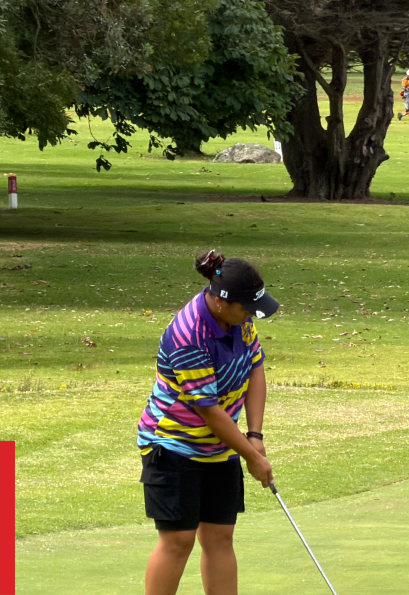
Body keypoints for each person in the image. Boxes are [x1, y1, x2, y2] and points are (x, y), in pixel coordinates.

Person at [137, 250, 280, 595]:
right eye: (245, 308)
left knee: (220, 535)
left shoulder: (239, 319)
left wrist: (255, 434)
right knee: (179, 539)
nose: (250, 316)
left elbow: (255, 368)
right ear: (219, 301)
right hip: (171, 443)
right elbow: (210, 410)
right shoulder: (188, 335)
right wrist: (252, 456)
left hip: (221, 445)